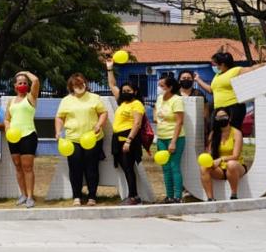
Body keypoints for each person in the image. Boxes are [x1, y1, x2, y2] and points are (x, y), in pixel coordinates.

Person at [54, 73, 107, 206]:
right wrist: (58, 132)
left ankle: (92, 196)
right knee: (75, 168)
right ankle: (76, 196)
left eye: (82, 83)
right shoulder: (66, 100)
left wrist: (99, 125)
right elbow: (59, 117)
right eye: (76, 84)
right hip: (73, 139)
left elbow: (103, 113)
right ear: (71, 86)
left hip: (92, 138)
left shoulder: (95, 98)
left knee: (92, 167)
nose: (80, 86)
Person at [194, 51, 266, 130]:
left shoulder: (235, 71)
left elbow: (253, 68)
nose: (213, 66)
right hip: (219, 108)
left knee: (233, 132)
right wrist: (198, 80)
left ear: (222, 64)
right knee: (218, 133)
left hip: (233, 107)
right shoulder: (217, 75)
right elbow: (211, 90)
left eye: (214, 64)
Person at [107, 60, 145, 205]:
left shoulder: (137, 104)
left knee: (129, 168)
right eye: (124, 90)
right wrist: (110, 69)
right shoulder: (122, 102)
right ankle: (132, 195)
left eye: (129, 91)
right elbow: (112, 85)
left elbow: (137, 123)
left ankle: (134, 196)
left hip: (128, 138)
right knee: (125, 167)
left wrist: (129, 140)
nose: (125, 92)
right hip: (118, 138)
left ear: (135, 92)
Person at [5, 71, 40, 208]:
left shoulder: (31, 97)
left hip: (28, 135)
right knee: (18, 166)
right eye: (20, 82)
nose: (23, 84)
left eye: (25, 83)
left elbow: (36, 81)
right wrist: (8, 130)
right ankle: (23, 194)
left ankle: (31, 196)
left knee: (28, 167)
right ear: (15, 86)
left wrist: (24, 73)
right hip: (13, 137)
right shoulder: (11, 101)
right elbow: (7, 119)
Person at [200, 107, 246, 201]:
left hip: (236, 166)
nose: (221, 119)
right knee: (203, 167)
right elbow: (209, 153)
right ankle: (210, 198)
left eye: (224, 116)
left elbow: (236, 155)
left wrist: (221, 159)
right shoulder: (213, 134)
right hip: (220, 168)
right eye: (219, 117)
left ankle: (234, 195)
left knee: (231, 164)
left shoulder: (237, 133)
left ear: (229, 117)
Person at [154, 75, 186, 204]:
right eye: (159, 85)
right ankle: (169, 196)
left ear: (170, 87)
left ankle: (178, 196)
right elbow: (156, 111)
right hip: (161, 137)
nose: (159, 88)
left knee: (174, 166)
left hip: (174, 138)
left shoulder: (177, 100)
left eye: (162, 86)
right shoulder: (160, 98)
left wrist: (173, 141)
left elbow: (179, 122)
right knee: (165, 167)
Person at [178, 69, 212, 137]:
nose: (186, 80)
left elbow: (205, 109)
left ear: (193, 81)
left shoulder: (198, 93)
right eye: (184, 78)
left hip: (196, 127)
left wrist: (205, 122)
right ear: (179, 80)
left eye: (188, 78)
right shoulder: (175, 94)